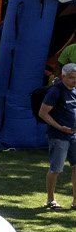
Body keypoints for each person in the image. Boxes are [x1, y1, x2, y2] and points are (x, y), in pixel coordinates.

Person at [42, 61, 76, 208]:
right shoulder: (55, 91)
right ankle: (50, 200)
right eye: (72, 77)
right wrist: (59, 127)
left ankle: (75, 201)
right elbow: (43, 113)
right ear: (63, 76)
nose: (75, 80)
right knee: (56, 169)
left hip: (74, 136)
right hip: (59, 136)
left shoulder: (75, 90)